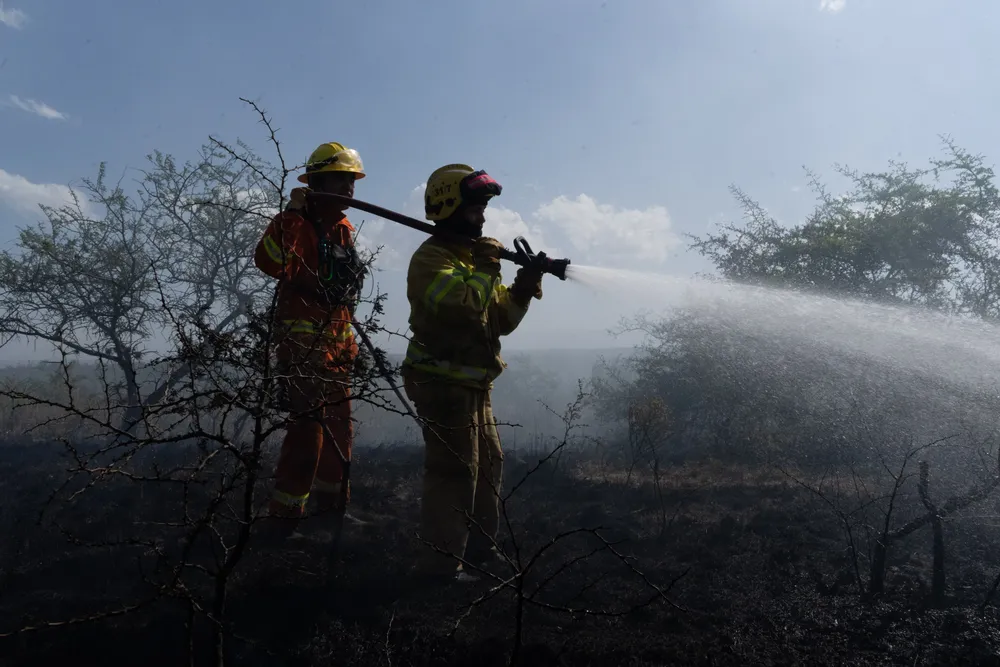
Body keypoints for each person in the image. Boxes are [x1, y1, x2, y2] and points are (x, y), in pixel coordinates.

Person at [400, 163, 545, 582]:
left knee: (488, 465)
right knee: (453, 472)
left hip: (473, 383)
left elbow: (498, 319)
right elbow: (462, 307)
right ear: (448, 207)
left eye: (483, 208)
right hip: (441, 382)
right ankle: (440, 569)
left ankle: (482, 552)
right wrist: (487, 269)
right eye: (474, 209)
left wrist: (521, 287)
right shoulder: (431, 259)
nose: (483, 217)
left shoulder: (469, 258)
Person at [253, 141, 368, 541]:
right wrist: (292, 215)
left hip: (338, 343)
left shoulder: (341, 228)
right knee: (308, 430)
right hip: (305, 345)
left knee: (339, 428)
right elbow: (271, 261)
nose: (351, 189)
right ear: (319, 181)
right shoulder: (296, 222)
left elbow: (343, 281)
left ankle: (330, 513)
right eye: (343, 179)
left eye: (353, 180)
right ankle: (285, 520)